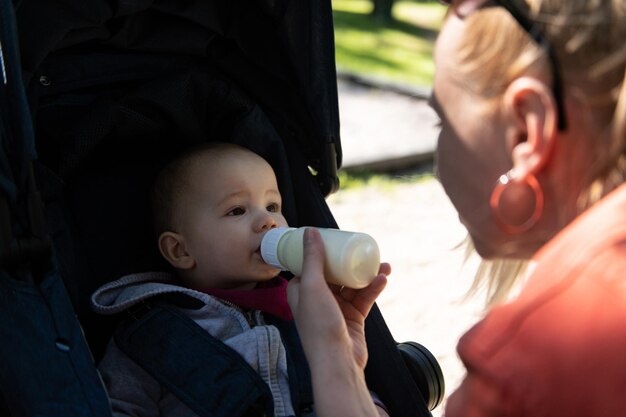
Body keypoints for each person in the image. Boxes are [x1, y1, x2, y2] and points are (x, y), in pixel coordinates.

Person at [287, 1, 626, 416]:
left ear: (525, 130)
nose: (438, 161)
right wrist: (345, 359)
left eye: (442, 121)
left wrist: (324, 353)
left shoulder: (536, 363)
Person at [91, 142, 390, 417]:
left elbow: (353, 391)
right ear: (181, 250)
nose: (269, 221)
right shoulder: (152, 333)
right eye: (237, 210)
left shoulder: (307, 310)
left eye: (273, 206)